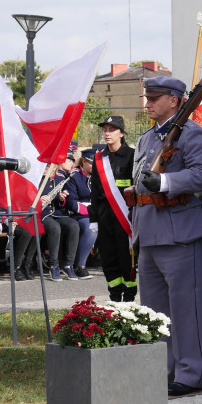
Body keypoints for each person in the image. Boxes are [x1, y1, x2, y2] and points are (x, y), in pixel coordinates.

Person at [131, 76, 202, 396]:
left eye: (154, 98)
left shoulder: (192, 135)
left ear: (175, 101)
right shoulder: (147, 138)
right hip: (149, 233)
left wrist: (165, 183)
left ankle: (190, 373)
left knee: (185, 309)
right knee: (155, 313)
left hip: (179, 233)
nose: (148, 103)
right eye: (147, 97)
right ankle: (161, 370)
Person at [90, 115, 136, 301]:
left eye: (112, 130)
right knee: (108, 258)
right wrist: (93, 219)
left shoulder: (132, 156)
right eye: (105, 130)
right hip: (104, 216)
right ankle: (115, 297)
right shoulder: (99, 159)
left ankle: (130, 298)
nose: (107, 134)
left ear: (122, 133)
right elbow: (94, 190)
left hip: (125, 217)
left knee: (126, 259)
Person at [39, 158, 81, 281]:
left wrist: (61, 198)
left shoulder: (60, 179)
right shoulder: (38, 179)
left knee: (73, 225)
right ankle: (54, 265)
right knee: (54, 228)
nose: (48, 170)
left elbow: (60, 203)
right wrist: (40, 198)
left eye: (50, 167)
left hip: (57, 213)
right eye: (46, 167)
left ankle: (69, 265)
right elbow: (29, 195)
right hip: (42, 213)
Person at [61, 145, 96, 280]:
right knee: (92, 227)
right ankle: (80, 266)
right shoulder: (74, 176)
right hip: (77, 215)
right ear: (83, 162)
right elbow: (71, 202)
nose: (94, 166)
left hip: (94, 213)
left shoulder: (97, 177)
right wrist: (92, 211)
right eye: (91, 163)